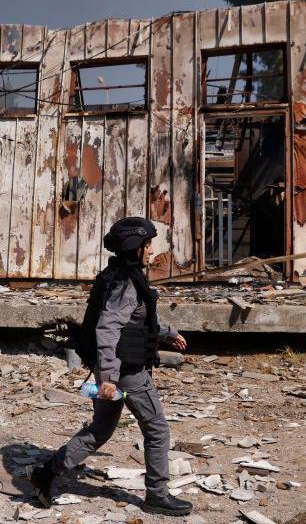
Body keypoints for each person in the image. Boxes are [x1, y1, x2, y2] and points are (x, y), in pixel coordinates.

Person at [30, 217, 193, 517]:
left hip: (114, 370)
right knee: (157, 431)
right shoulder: (126, 284)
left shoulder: (118, 275)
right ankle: (157, 495)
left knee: (100, 430)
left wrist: (168, 333)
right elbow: (108, 330)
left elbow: (137, 323)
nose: (151, 250)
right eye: (147, 245)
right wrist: (109, 379)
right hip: (127, 373)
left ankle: (47, 473)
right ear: (135, 248)